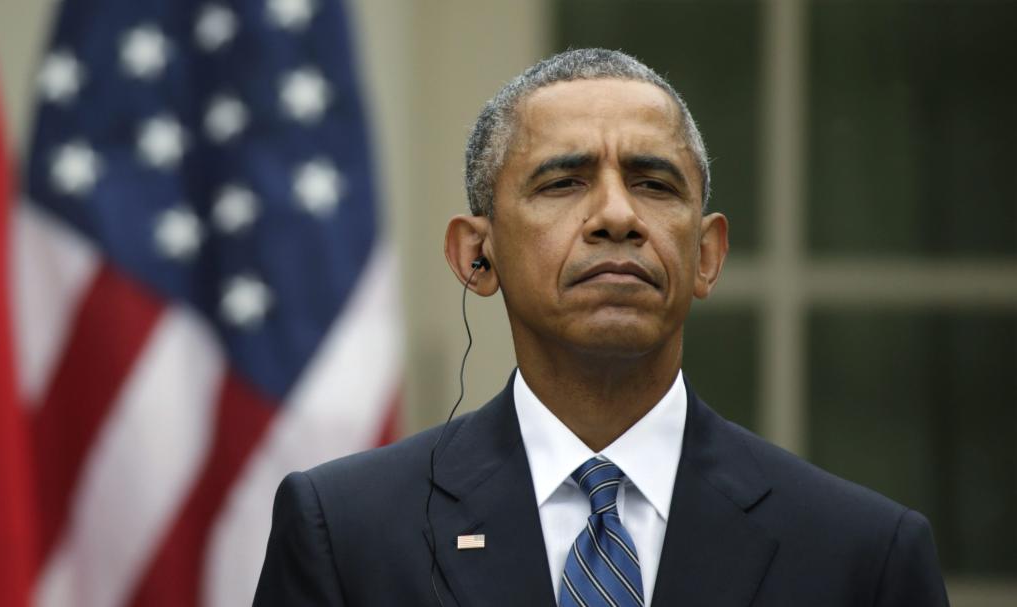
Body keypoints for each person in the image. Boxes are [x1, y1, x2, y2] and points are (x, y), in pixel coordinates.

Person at [252, 48, 947, 607]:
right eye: (563, 182)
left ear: (705, 256)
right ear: (476, 254)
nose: (617, 215)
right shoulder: (345, 532)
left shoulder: (861, 553)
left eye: (654, 183)